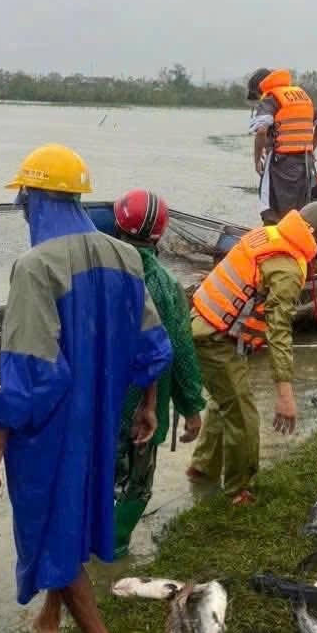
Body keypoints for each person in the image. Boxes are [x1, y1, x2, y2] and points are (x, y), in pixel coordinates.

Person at [0, 145, 172, 633]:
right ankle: (52, 613)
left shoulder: (35, 268)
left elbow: (33, 369)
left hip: (52, 426)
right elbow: (153, 343)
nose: (22, 208)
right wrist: (147, 405)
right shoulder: (124, 256)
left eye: (23, 198)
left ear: (34, 197)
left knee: (50, 525)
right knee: (77, 511)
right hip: (101, 418)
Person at [186, 201, 317, 505]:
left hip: (205, 324)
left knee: (225, 403)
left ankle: (202, 468)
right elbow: (279, 332)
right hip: (215, 338)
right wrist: (285, 394)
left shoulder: (270, 234)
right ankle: (238, 491)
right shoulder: (286, 267)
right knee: (245, 417)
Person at [111, 189, 206, 557]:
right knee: (136, 485)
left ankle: (84, 549)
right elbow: (180, 352)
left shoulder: (98, 270)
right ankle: (113, 551)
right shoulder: (165, 286)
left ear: (117, 224)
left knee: (95, 478)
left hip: (97, 402)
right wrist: (192, 408)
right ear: (160, 235)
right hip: (143, 407)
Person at [247, 68, 317, 224]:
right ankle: (297, 241)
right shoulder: (301, 96)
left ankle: (272, 241)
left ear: (260, 87)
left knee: (269, 205)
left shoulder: (271, 98)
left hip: (280, 161)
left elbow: (261, 130)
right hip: (306, 163)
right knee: (299, 209)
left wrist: (257, 160)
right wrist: (310, 147)